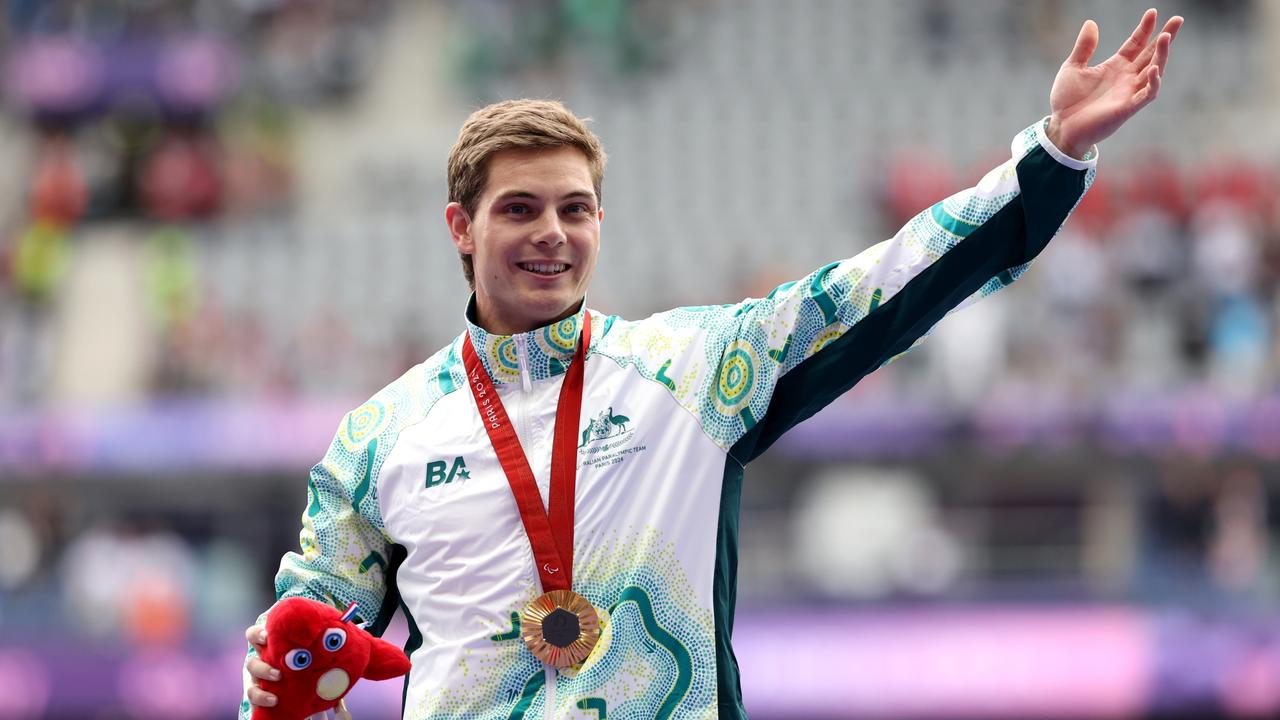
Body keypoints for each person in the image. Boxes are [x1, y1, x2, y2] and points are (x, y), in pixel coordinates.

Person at [242, 10, 1182, 719]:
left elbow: (881, 287)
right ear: (462, 227)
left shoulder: (692, 370)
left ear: (601, 222)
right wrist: (273, 670)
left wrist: (1050, 155)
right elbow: (297, 650)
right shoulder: (378, 439)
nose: (552, 234)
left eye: (575, 209)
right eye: (520, 209)